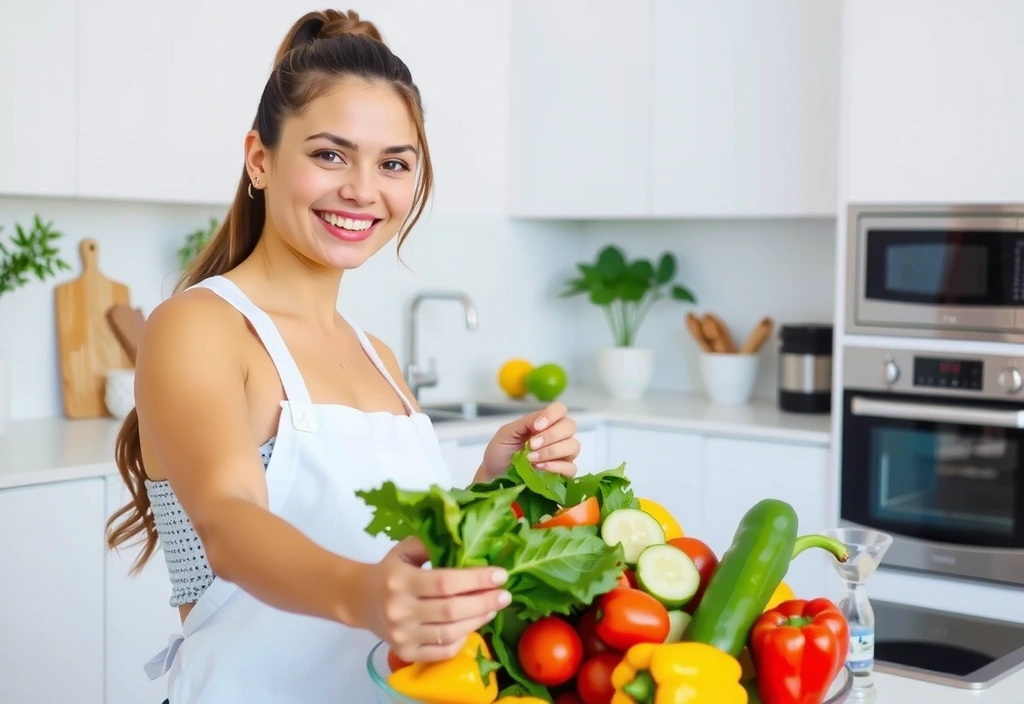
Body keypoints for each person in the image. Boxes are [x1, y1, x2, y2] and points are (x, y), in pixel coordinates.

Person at [104, 9, 581, 703]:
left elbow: (402, 564)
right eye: (330, 154)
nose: (363, 189)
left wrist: (490, 487)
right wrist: (364, 596)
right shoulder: (199, 327)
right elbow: (229, 523)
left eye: (393, 164)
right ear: (259, 159)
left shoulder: (377, 355)